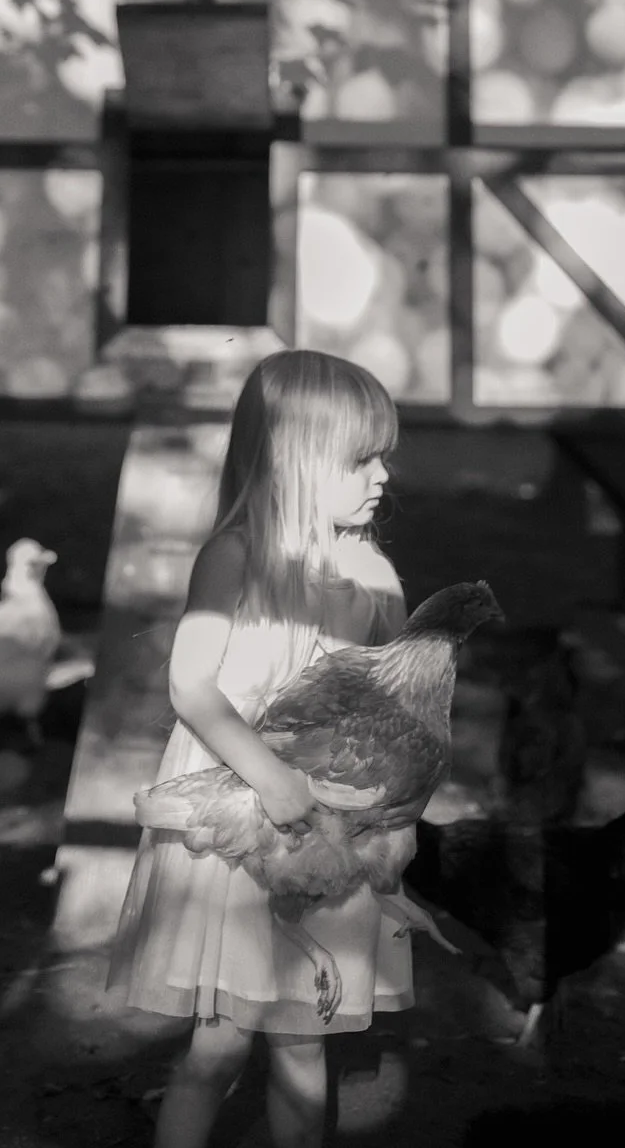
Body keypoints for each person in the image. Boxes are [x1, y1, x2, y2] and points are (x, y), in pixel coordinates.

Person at [107, 347, 410, 1148]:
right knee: (217, 1044)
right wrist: (272, 776)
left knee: (305, 1042)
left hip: (329, 832)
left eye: (384, 456)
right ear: (297, 460)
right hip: (237, 824)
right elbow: (192, 687)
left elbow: (393, 705)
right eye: (361, 458)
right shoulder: (234, 558)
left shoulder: (374, 577)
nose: (382, 475)